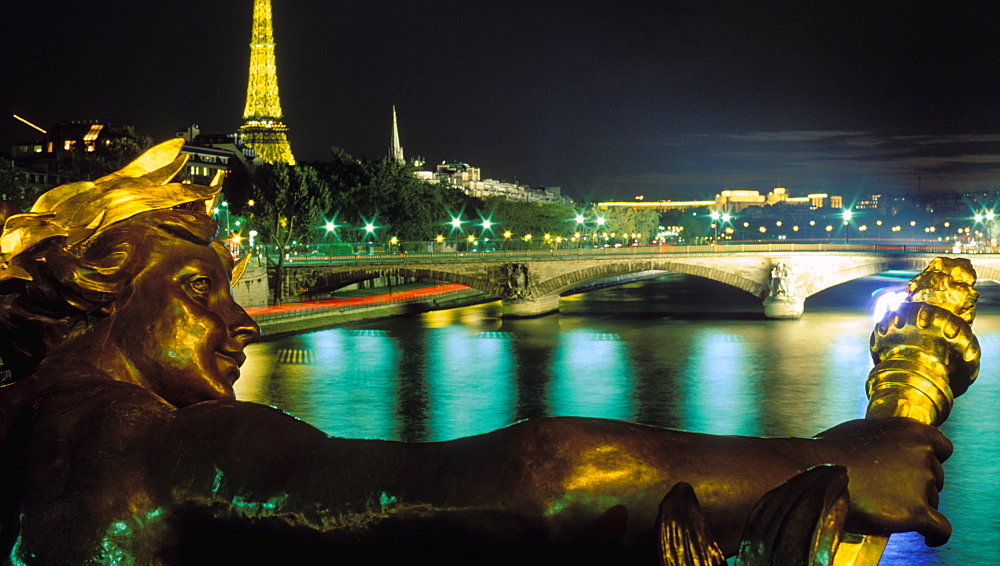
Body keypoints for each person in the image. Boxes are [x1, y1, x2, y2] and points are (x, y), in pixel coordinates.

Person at [0, 141, 953, 564]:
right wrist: (818, 460)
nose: (239, 320)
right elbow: (533, 480)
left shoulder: (26, 425)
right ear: (103, 286)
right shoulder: (133, 443)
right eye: (200, 290)